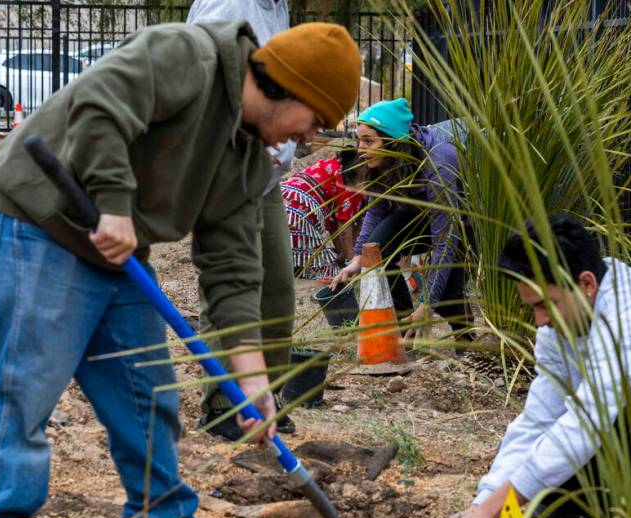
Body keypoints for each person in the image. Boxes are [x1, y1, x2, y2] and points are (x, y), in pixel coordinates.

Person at [0, 21, 361, 518]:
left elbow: (232, 270)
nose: (312, 136)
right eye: (316, 119)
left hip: (118, 255)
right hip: (39, 225)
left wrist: (249, 381)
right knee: (23, 393)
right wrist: (115, 203)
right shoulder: (187, 54)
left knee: (149, 402)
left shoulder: (250, 158)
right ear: (290, 90)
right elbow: (98, 105)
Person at [440, 214, 631, 518]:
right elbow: (539, 419)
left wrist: (494, 511)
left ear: (586, 284)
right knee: (543, 480)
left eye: (543, 304)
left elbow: (585, 424)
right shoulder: (561, 325)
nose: (540, 321)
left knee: (623, 406)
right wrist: (483, 502)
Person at [187, 0, 300, 439]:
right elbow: (210, 82)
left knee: (276, 287)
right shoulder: (232, 3)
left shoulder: (277, 7)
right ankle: (224, 403)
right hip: (231, 167)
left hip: (268, 172)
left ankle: (265, 398)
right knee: (232, 280)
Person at [330, 98, 472, 341]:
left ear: (395, 142)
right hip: (414, 217)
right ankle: (405, 322)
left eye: (369, 141)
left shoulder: (437, 163)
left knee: (448, 290)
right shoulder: (383, 161)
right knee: (373, 253)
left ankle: (464, 333)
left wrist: (427, 304)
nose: (360, 149)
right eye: (359, 140)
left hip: (458, 223)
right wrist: (356, 260)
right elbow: (377, 210)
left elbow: (445, 242)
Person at [283, 148, 365, 280]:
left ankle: (291, 264)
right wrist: (351, 260)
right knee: (329, 273)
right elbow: (344, 228)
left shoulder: (330, 165)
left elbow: (335, 227)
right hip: (298, 215)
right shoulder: (351, 186)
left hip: (282, 204)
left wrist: (343, 256)